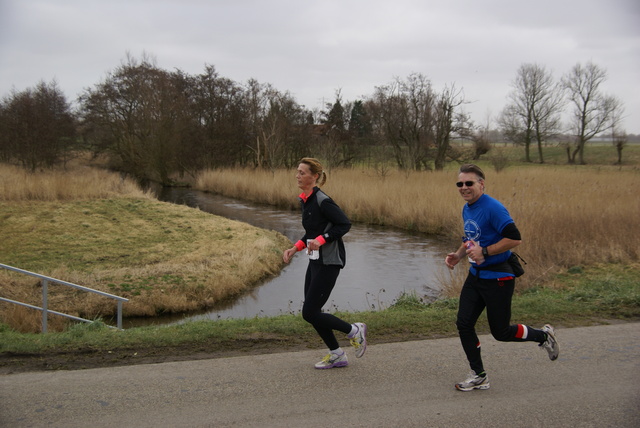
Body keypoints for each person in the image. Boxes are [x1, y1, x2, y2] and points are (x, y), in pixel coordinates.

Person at [444, 164, 559, 391]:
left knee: (501, 332)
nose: (464, 187)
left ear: (482, 184)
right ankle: (479, 375)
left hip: (498, 278)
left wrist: (485, 252)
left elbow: (514, 238)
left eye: (469, 183)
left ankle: (543, 336)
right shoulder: (468, 207)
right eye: (460, 184)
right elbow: (471, 237)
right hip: (475, 276)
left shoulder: (493, 208)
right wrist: (458, 255)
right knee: (464, 323)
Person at [283, 157, 367, 369]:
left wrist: (322, 240)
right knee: (314, 313)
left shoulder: (323, 200)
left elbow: (344, 224)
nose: (298, 176)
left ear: (315, 177)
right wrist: (295, 247)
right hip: (315, 261)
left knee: (310, 312)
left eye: (302, 172)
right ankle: (337, 354)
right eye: (297, 171)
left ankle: (354, 330)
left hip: (330, 262)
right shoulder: (306, 200)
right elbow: (312, 233)